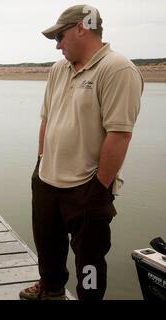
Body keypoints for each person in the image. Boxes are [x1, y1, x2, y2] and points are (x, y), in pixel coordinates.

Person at [19, 5, 143, 300]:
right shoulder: (58, 69)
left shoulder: (118, 69)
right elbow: (46, 119)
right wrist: (40, 164)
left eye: (59, 36)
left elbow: (120, 133)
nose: (58, 45)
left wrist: (99, 188)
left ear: (81, 28)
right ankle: (50, 289)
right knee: (48, 245)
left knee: (89, 260)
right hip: (47, 179)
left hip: (88, 187)